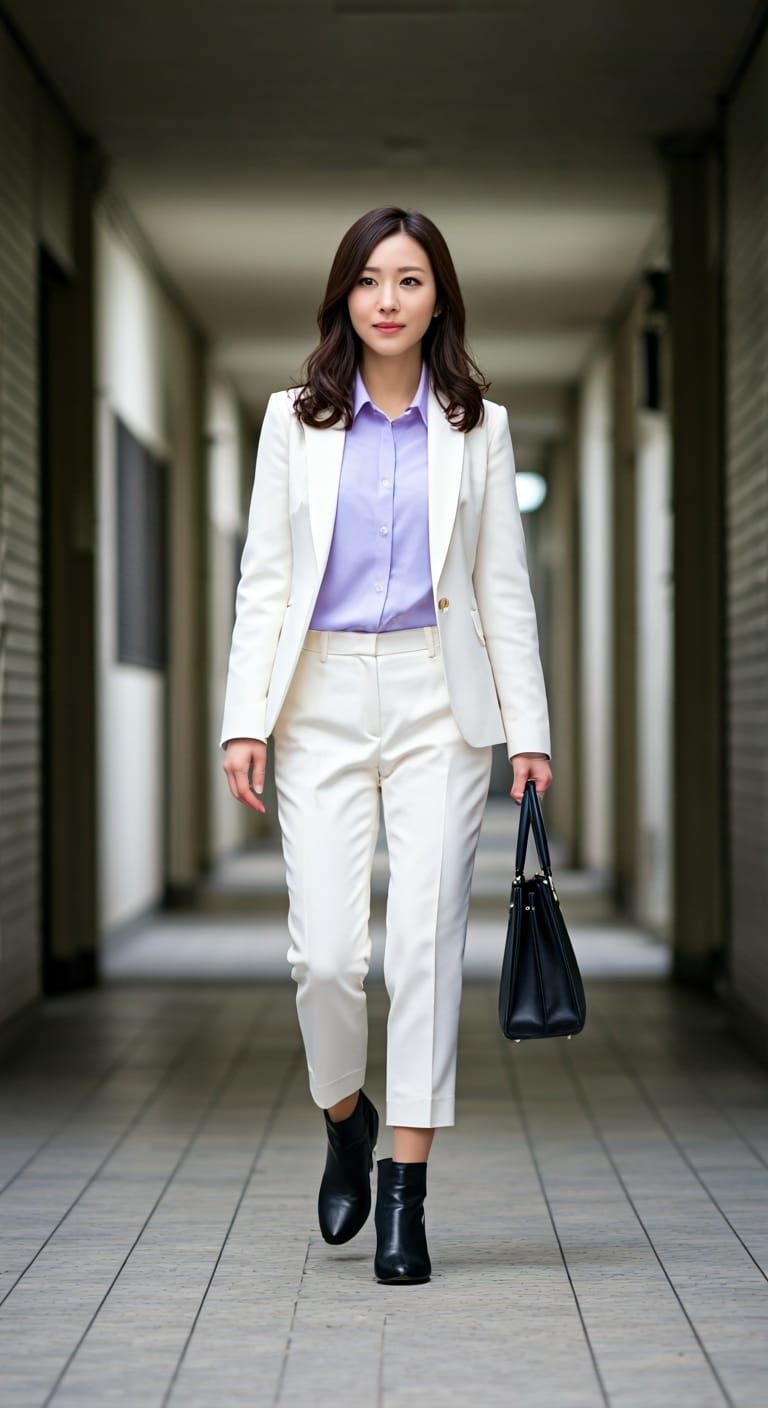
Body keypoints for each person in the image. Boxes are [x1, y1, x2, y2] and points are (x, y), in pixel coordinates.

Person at [220, 205, 552, 1285]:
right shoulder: (296, 418)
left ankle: (406, 1194)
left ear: (438, 295)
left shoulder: (477, 424)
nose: (389, 300)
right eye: (370, 280)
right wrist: (243, 717)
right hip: (315, 694)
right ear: (344, 297)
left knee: (421, 951)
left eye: (409, 280)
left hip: (434, 701)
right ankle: (345, 1118)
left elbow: (504, 586)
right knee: (324, 956)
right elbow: (265, 577)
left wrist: (530, 731)